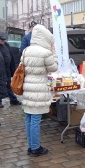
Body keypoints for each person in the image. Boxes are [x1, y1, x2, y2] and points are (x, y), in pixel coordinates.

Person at [22, 25, 58, 157]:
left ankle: (31, 146)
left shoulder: (26, 50)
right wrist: (53, 52)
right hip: (39, 87)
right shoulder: (45, 52)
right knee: (36, 118)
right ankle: (36, 148)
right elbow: (54, 68)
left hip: (28, 87)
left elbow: (22, 66)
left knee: (29, 118)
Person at [0, 32, 22, 108]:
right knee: (0, 85)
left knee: (8, 85)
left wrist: (12, 69)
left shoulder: (6, 45)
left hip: (7, 68)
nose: (3, 41)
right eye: (2, 40)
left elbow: (11, 56)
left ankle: (13, 100)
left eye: (4, 40)